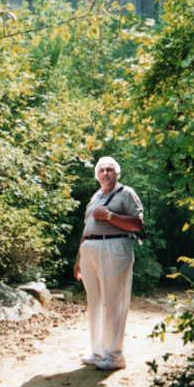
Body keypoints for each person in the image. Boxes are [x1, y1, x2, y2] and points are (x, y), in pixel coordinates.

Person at [73, 156, 143, 370]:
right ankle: (98, 351)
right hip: (89, 250)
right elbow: (87, 230)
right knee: (95, 301)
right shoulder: (95, 197)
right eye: (102, 170)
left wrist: (110, 215)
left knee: (114, 301)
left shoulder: (126, 193)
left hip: (114, 247)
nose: (105, 173)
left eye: (110, 169)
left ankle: (114, 356)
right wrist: (78, 260)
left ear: (116, 173)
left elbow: (138, 224)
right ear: (97, 175)